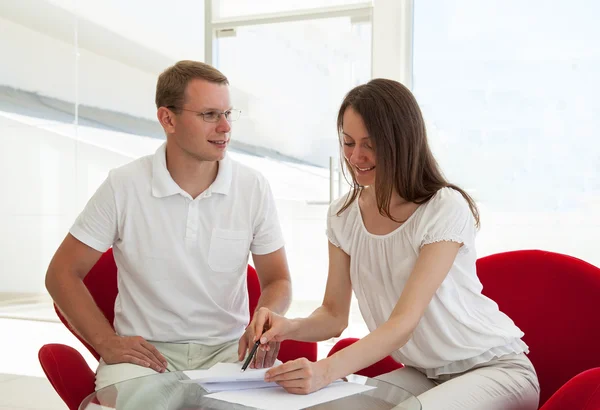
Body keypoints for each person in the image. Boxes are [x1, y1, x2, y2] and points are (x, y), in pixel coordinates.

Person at [251, 79, 540, 409]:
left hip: (496, 371)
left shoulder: (443, 208)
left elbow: (404, 323)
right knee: (326, 407)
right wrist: (287, 327)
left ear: (400, 143)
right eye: (348, 142)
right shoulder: (343, 216)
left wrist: (323, 372)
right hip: (425, 373)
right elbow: (333, 316)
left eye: (369, 145)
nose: (356, 156)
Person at [45, 60, 292, 391]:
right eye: (209, 115)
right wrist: (107, 342)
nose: (225, 127)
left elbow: (278, 280)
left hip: (231, 353)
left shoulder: (253, 187)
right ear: (168, 118)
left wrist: (263, 319)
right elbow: (61, 273)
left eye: (228, 114)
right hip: (147, 357)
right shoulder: (124, 185)